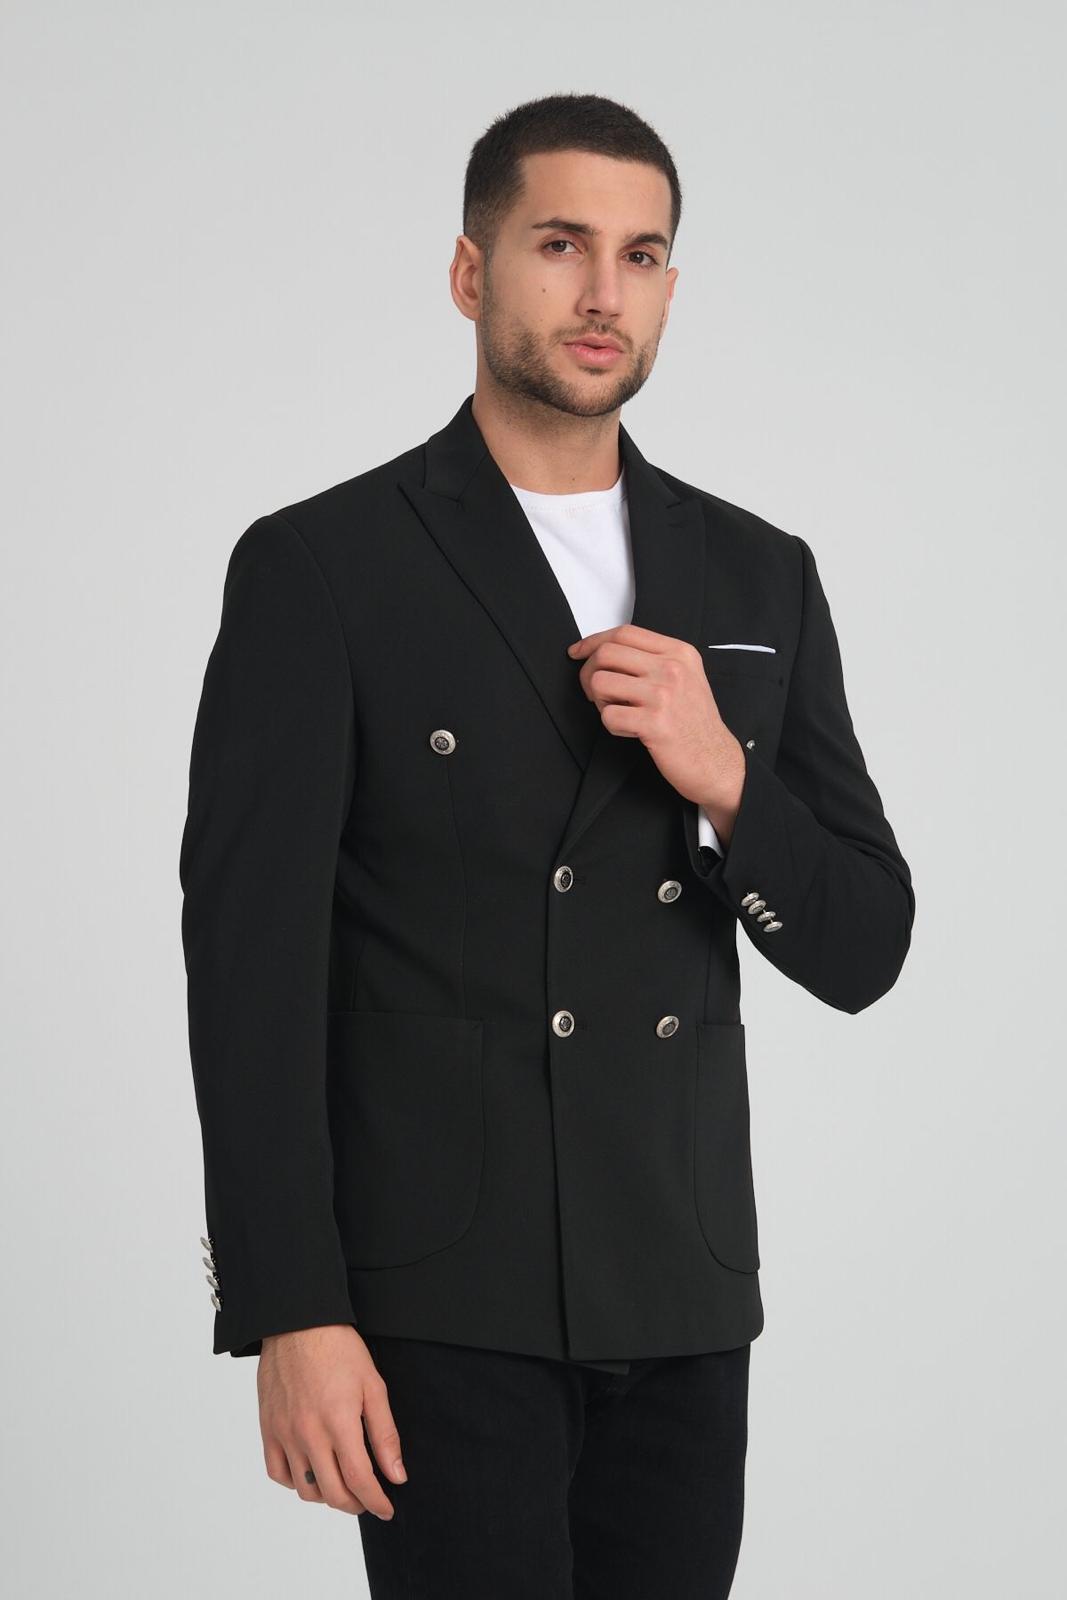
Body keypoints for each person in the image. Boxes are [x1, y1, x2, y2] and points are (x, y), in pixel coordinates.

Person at [179, 91, 915, 1599]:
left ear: (670, 288)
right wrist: (291, 1308)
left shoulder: (756, 571)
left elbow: (865, 944)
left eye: (640, 256)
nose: (602, 294)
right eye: (561, 244)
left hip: (681, 1286)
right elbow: (248, 973)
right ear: (472, 272)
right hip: (439, 1297)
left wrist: (726, 778)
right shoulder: (325, 565)